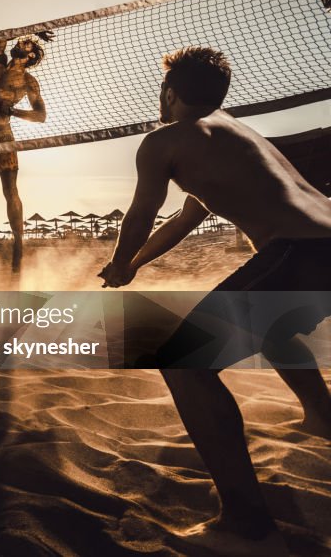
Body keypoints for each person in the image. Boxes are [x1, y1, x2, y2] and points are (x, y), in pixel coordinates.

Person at [99, 46, 331, 545]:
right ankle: (323, 417)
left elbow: (141, 216)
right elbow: (184, 220)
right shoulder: (237, 133)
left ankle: (246, 522)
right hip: (321, 246)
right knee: (273, 325)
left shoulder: (164, 140)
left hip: (301, 253)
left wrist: (118, 263)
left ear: (169, 93)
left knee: (183, 361)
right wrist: (133, 266)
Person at [0, 33, 52, 270]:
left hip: (3, 136)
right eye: (20, 40)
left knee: (10, 190)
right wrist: (34, 29)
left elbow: (41, 115)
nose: (19, 42)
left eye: (26, 44)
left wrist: (14, 112)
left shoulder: (28, 82)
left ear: (31, 56)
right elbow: (2, 37)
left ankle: (18, 248)